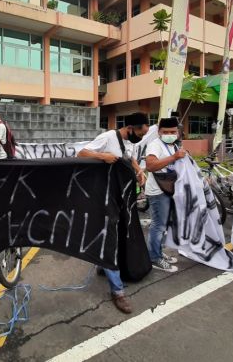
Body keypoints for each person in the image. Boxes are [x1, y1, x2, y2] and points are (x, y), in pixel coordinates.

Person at [78, 112, 149, 314]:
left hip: (122, 198)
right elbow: (81, 153)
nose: (141, 137)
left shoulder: (130, 142)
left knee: (119, 236)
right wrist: (103, 156)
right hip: (103, 198)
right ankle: (117, 291)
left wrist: (139, 171)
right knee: (109, 238)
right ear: (130, 128)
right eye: (140, 133)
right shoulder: (108, 137)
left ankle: (105, 266)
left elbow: (130, 157)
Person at [145, 117, 187, 273]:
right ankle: (154, 258)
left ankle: (158, 252)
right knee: (158, 226)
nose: (169, 134)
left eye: (173, 132)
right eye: (166, 132)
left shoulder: (173, 145)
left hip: (168, 189)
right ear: (159, 132)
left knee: (164, 225)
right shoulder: (155, 145)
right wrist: (174, 157)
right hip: (158, 192)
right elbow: (150, 165)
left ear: (178, 132)